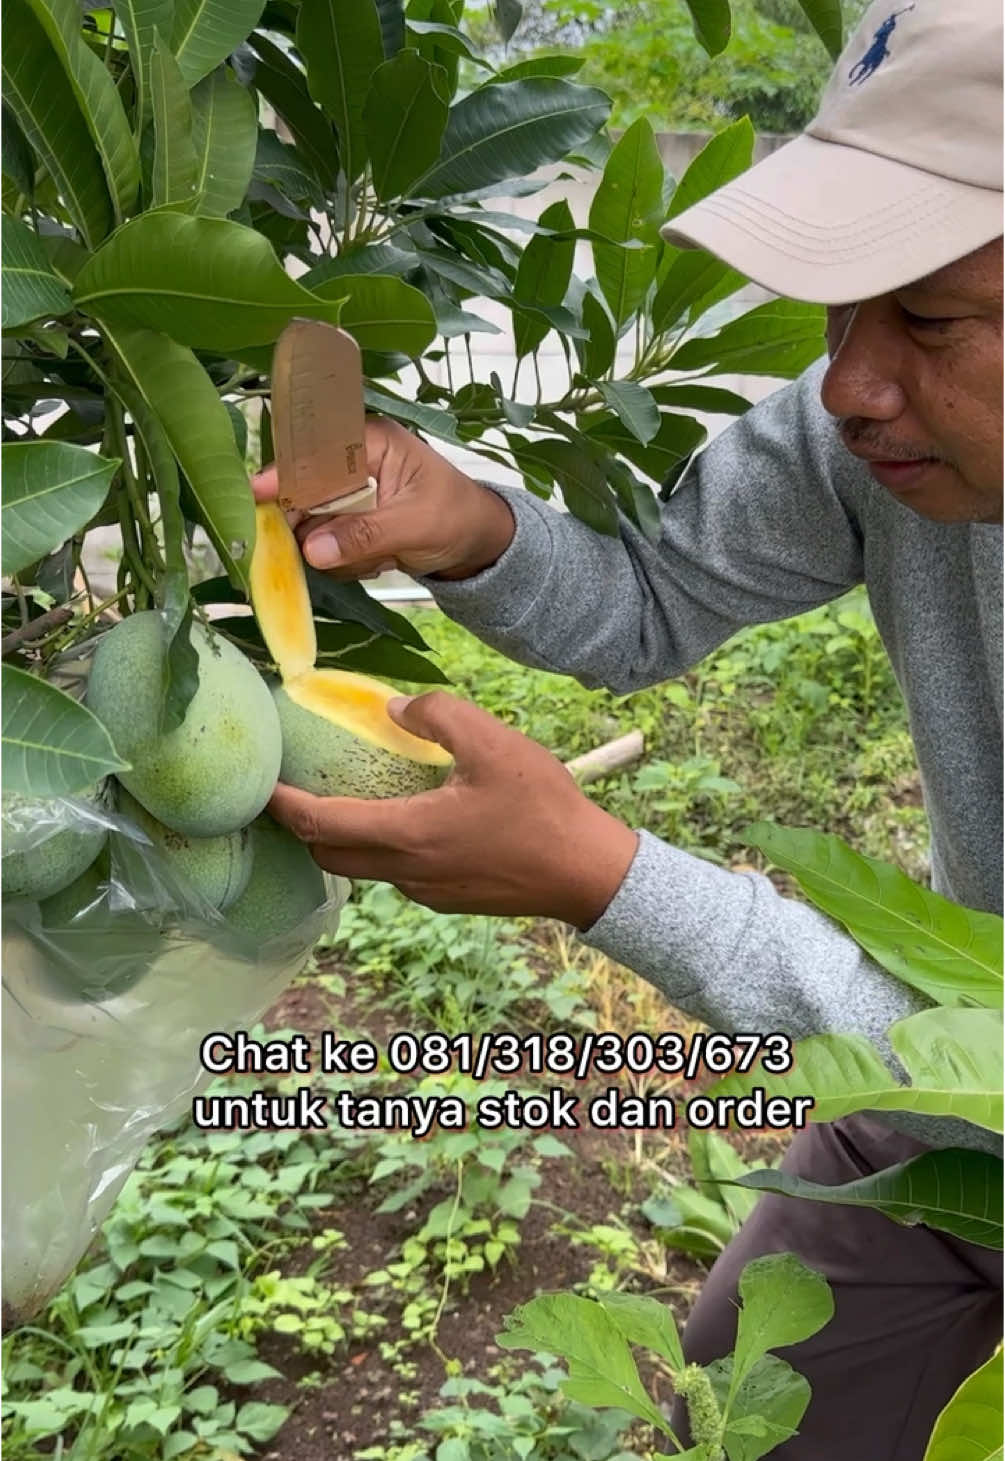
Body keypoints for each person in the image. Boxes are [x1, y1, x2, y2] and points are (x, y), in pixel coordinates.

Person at [254, 1, 1003, 1454]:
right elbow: (650, 598)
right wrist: (468, 527)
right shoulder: (877, 434)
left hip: (962, 1066)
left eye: (925, 315)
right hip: (938, 1096)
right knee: (742, 1403)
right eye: (841, 297)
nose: (845, 381)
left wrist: (605, 878)